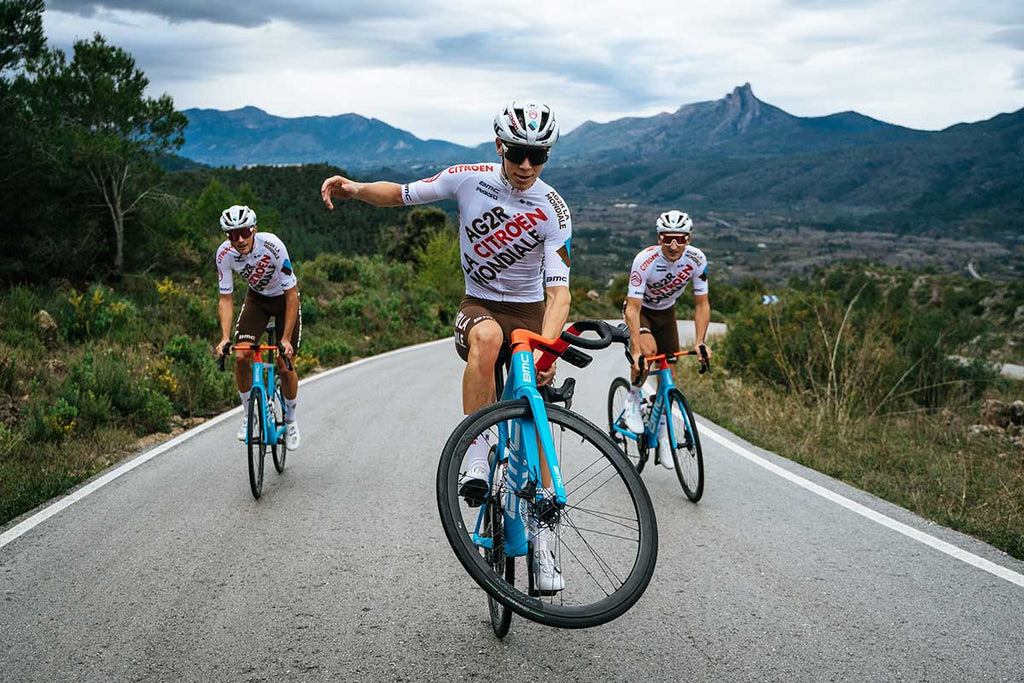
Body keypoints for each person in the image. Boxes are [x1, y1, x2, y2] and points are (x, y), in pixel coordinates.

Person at [321, 100, 571, 591]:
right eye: (517, 152)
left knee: (533, 397)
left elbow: (560, 291)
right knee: (488, 336)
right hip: (478, 305)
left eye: (537, 156)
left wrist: (549, 345)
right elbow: (399, 195)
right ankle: (476, 452)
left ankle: (543, 540)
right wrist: (354, 188)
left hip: (529, 312)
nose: (525, 165)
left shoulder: (553, 208)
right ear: (499, 145)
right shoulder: (466, 178)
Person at [619, 210, 711, 467]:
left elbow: (702, 304)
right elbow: (633, 308)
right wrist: (636, 349)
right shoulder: (644, 261)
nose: (674, 245)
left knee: (669, 367)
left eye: (680, 239)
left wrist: (700, 341)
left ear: (688, 239)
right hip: (641, 311)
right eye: (668, 238)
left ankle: (662, 431)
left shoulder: (697, 260)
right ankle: (632, 402)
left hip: (666, 312)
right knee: (648, 351)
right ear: (659, 238)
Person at [214, 205, 302, 451]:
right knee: (241, 356)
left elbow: (292, 295)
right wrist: (224, 338)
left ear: (255, 229)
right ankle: (249, 415)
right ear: (226, 236)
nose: (240, 239)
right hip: (257, 301)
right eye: (233, 235)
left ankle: (292, 421)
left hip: (284, 301)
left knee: (285, 365)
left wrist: (285, 339)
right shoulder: (224, 255)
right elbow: (226, 298)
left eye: (244, 232)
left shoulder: (273, 246)